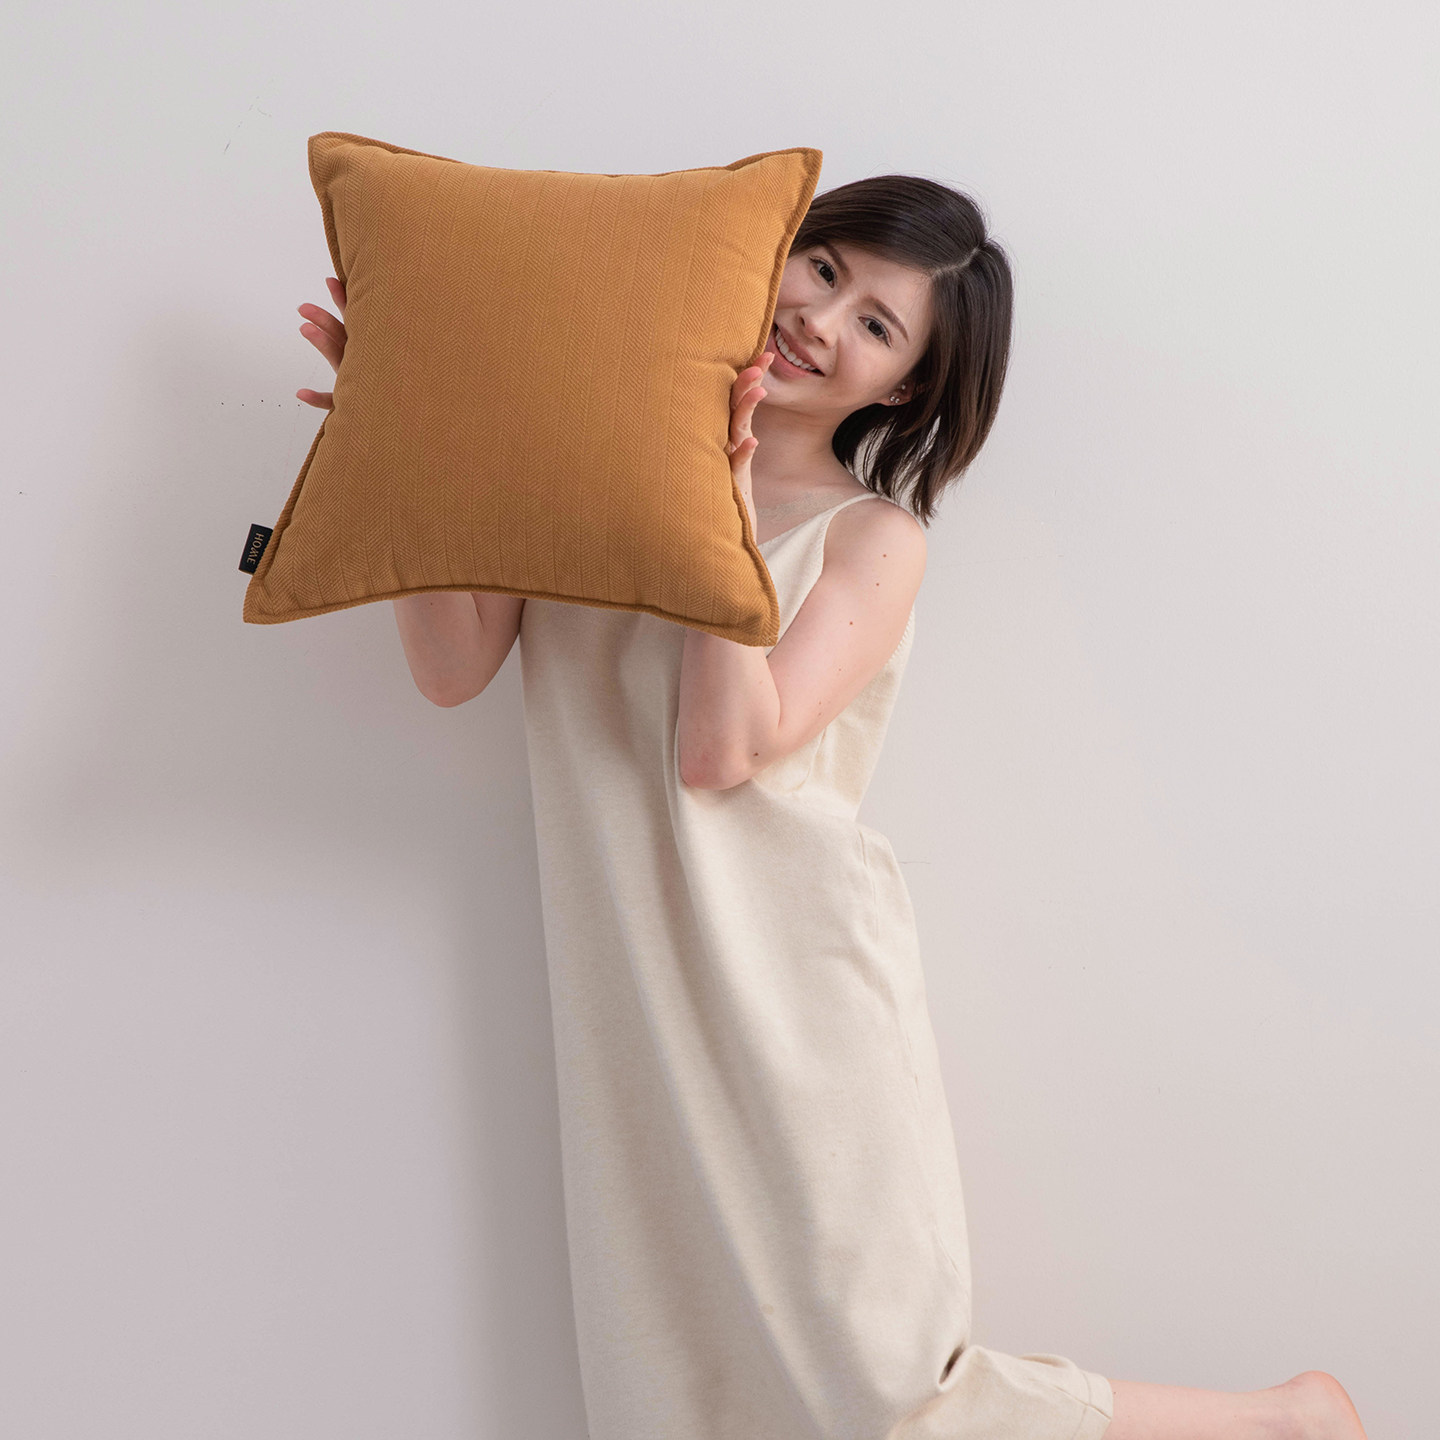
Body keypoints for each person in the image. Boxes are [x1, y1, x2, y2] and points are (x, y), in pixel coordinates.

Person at [295, 175, 1368, 1440]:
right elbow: (452, 668)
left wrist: (712, 502)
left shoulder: (874, 540)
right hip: (630, 978)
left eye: (876, 325)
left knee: (885, 1398)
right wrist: (404, 429)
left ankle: (1285, 1424)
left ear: (903, 388)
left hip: (795, 991)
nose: (820, 320)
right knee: (671, 1383)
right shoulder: (579, 471)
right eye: (824, 269)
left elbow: (722, 750)